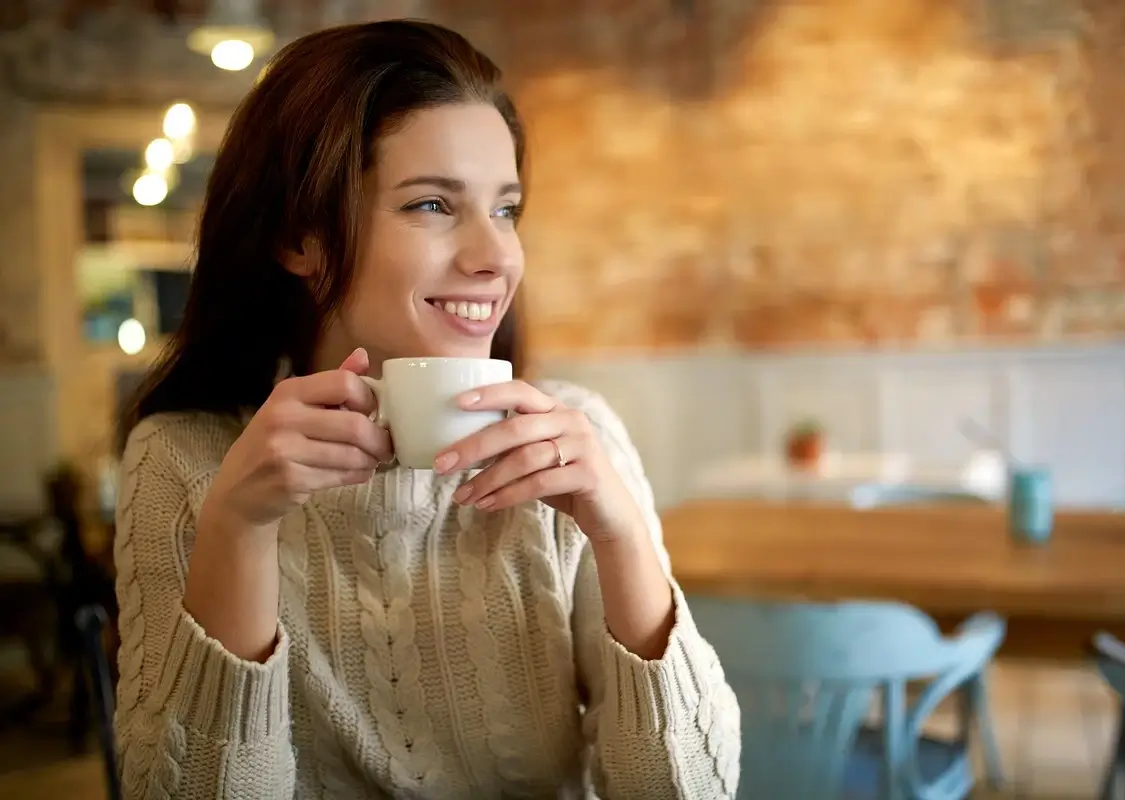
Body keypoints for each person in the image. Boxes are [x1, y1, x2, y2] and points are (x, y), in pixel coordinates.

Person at [113, 18, 740, 800]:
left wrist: (619, 534)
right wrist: (238, 528)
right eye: (434, 205)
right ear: (300, 236)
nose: (496, 255)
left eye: (505, 209)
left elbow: (690, 792)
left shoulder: (576, 438)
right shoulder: (184, 461)